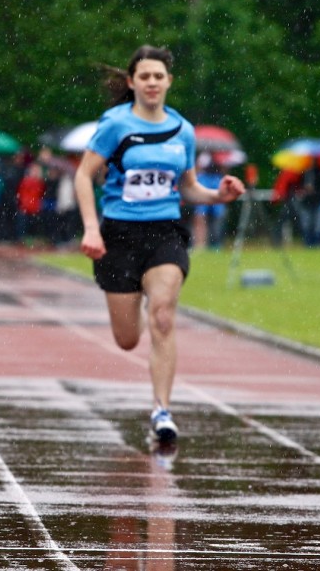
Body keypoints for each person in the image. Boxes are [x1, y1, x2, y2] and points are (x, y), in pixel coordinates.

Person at [74, 45, 245, 442]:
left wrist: (219, 196)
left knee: (164, 317)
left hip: (165, 231)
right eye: (145, 77)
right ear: (132, 82)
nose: (152, 83)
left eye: (159, 76)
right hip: (118, 234)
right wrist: (91, 229)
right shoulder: (115, 125)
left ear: (169, 81)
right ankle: (156, 398)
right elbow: (84, 176)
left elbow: (188, 188)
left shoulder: (182, 130)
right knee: (128, 338)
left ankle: (162, 411)